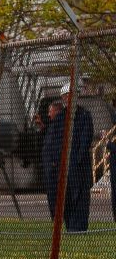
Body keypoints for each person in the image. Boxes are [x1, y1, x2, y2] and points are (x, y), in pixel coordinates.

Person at [41, 82, 93, 232]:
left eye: (73, 95)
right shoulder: (60, 119)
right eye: (67, 95)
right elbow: (53, 143)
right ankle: (71, 227)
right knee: (67, 198)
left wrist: (76, 160)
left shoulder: (84, 115)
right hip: (64, 168)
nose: (70, 98)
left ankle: (79, 228)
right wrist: (58, 162)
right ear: (64, 98)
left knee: (80, 198)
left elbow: (85, 140)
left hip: (78, 167)